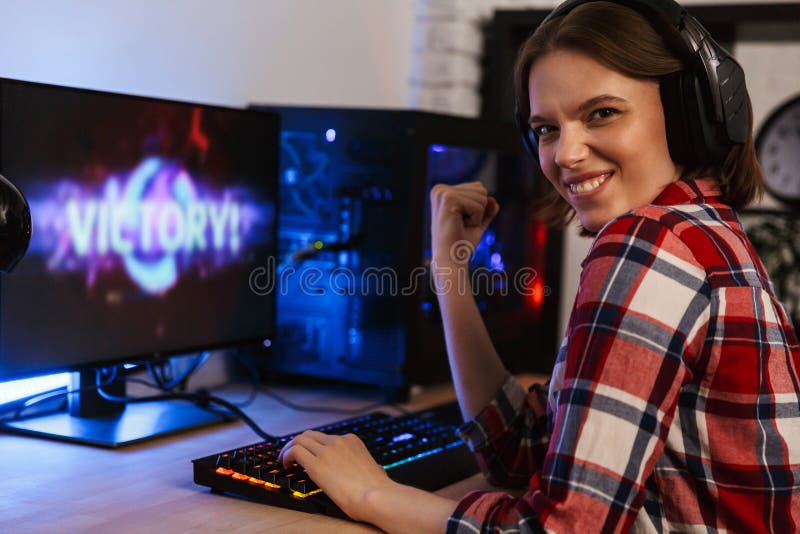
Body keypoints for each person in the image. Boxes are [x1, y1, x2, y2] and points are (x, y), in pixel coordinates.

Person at [278, 0, 800, 531]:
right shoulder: (699, 231)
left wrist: (371, 493)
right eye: (546, 129)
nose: (566, 154)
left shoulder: (650, 246)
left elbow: (562, 530)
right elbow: (522, 451)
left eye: (602, 112)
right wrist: (450, 273)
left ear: (685, 115)